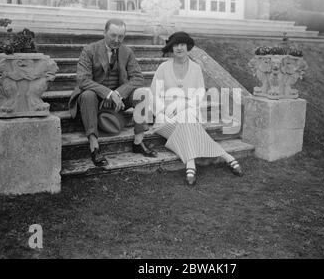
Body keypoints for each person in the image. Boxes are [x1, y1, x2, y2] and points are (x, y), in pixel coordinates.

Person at [150, 31, 243, 186]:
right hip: (166, 116)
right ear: (171, 48)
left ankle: (190, 164)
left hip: (189, 109)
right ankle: (227, 157)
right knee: (187, 122)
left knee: (187, 118)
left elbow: (200, 93)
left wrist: (185, 105)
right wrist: (166, 109)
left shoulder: (195, 68)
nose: (179, 48)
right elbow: (154, 94)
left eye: (182, 44)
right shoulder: (163, 68)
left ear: (188, 47)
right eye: (175, 45)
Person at [69, 18, 157, 167]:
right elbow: (83, 80)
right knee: (88, 94)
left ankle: (138, 142)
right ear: (104, 33)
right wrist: (109, 94)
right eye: (113, 35)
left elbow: (138, 78)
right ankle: (94, 147)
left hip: (118, 98)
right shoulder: (89, 50)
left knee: (141, 92)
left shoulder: (127, 52)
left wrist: (118, 94)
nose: (117, 40)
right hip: (93, 99)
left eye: (121, 36)